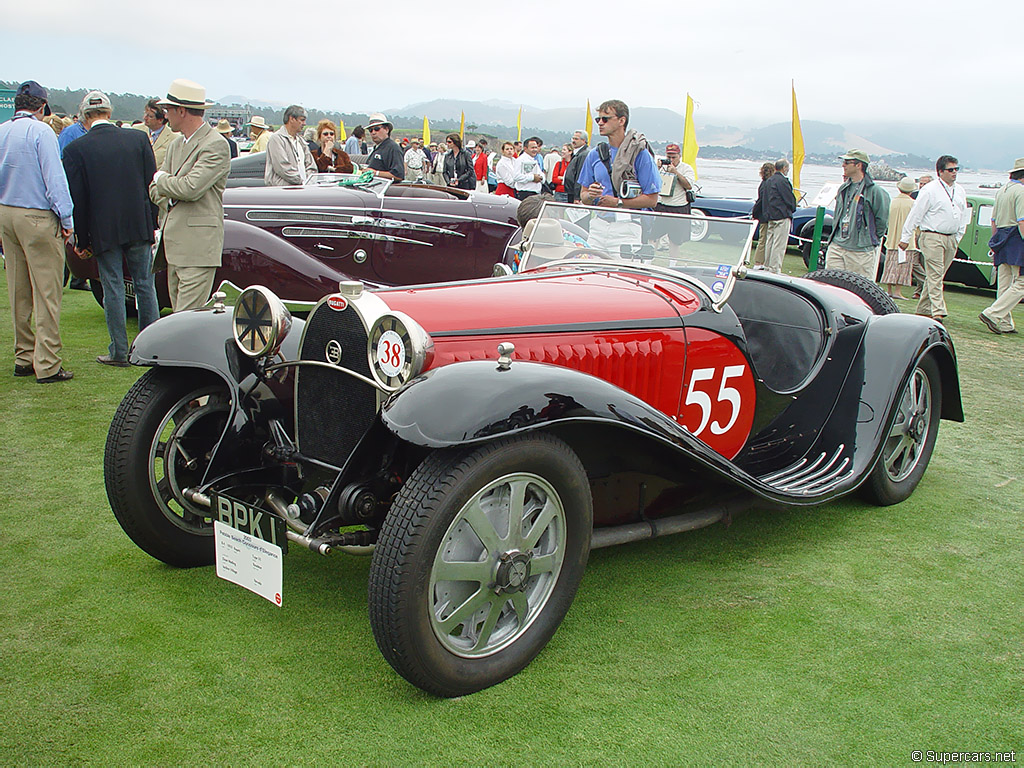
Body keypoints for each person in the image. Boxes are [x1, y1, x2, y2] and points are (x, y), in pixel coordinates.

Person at [61, 90, 160, 367]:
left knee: (113, 288)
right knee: (145, 285)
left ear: (84, 116)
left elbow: (78, 199)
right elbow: (150, 186)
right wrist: (152, 225)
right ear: (109, 112)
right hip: (138, 225)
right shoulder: (138, 139)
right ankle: (151, 348)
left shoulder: (75, 150)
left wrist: (82, 239)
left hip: (103, 230)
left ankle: (119, 351)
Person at [0, 80, 75, 383]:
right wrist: (67, 218)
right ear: (42, 106)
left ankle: (23, 355)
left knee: (18, 289)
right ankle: (47, 363)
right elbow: (54, 177)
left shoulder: (3, 130)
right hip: (36, 215)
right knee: (47, 292)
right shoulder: (43, 131)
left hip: (7, 211)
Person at [148, 78, 230, 312]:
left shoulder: (215, 144)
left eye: (168, 110)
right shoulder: (175, 145)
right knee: (177, 318)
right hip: (173, 247)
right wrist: (169, 190)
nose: (165, 115)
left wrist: (163, 182)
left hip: (197, 250)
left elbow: (190, 188)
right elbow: (154, 189)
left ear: (181, 111)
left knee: (186, 320)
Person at [577, 99, 661, 253]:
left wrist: (618, 203)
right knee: (589, 272)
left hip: (627, 227)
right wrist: (590, 195)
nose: (600, 123)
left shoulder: (640, 154)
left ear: (622, 120)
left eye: (606, 119)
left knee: (621, 275)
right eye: (598, 119)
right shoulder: (594, 154)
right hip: (598, 225)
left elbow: (652, 199)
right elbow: (583, 195)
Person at [898, 155, 967, 321]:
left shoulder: (960, 190)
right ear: (940, 172)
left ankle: (923, 309)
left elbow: (964, 215)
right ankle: (938, 310)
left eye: (956, 169)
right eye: (950, 170)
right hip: (932, 236)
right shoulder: (929, 190)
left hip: (951, 237)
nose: (954, 173)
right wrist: (905, 237)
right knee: (935, 274)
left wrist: (958, 236)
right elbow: (915, 214)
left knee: (936, 275)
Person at [824, 149, 889, 281]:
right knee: (831, 286)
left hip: (860, 252)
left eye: (847, 162)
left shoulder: (875, 192)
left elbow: (881, 221)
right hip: (837, 246)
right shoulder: (843, 188)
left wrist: (868, 239)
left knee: (858, 291)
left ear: (859, 165)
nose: (843, 165)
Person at [978, 158, 1024, 334]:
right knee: (1021, 282)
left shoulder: (1002, 191)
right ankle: (992, 313)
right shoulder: (1021, 191)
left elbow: (993, 220)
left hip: (1002, 237)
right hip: (1016, 238)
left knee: (1004, 282)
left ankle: (1005, 323)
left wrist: (995, 241)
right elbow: (1022, 221)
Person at [648, 142, 696, 260]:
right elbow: (650, 183)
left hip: (678, 206)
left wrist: (676, 172)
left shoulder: (686, 168)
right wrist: (657, 168)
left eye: (673, 157)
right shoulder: (660, 167)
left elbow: (689, 185)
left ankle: (673, 265)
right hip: (661, 205)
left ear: (679, 156)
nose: (671, 160)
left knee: (675, 240)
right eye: (668, 157)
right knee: (653, 236)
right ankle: (648, 262)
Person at [879, 177, 919, 299]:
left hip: (892, 238)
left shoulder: (892, 202)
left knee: (890, 265)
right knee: (903, 266)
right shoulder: (913, 204)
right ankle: (897, 291)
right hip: (907, 240)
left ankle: (889, 290)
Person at [760, 158, 796, 274]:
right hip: (781, 215)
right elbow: (789, 199)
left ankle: (768, 266)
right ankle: (775, 268)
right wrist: (792, 208)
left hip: (770, 216)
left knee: (769, 242)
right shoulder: (783, 181)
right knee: (779, 244)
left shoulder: (769, 181)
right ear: (784, 168)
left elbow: (764, 199)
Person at [265, 105, 316, 186]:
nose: (304, 124)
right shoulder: (276, 139)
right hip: (283, 192)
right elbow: (282, 168)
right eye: (302, 120)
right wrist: (302, 181)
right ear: (291, 119)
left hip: (302, 190)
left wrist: (309, 181)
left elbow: (311, 166)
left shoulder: (301, 142)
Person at [364, 113, 404, 181]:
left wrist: (375, 173)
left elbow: (399, 175)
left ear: (386, 130)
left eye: (377, 129)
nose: (373, 132)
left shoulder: (393, 148)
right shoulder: (377, 148)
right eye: (370, 130)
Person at [751, 162, 776, 266]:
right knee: (764, 240)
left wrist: (755, 213)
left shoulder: (763, 183)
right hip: (766, 215)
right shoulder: (769, 184)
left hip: (762, 215)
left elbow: (759, 200)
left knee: (764, 239)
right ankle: (759, 261)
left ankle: (761, 261)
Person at [144, 99, 177, 168]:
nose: (145, 118)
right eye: (145, 114)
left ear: (160, 120)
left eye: (150, 116)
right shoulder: (136, 130)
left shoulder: (174, 138)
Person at [563, 130, 589, 203]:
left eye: (576, 139)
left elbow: (580, 176)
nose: (573, 141)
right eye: (573, 138)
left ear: (584, 140)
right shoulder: (577, 153)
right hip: (570, 192)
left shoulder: (583, 154)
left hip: (575, 195)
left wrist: (577, 196)